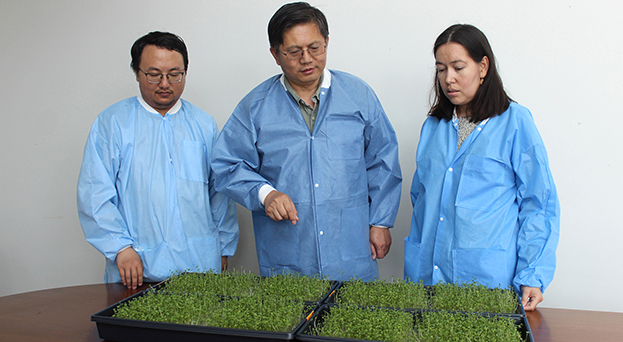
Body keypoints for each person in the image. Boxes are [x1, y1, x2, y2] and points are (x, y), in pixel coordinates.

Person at [211, 2, 402, 281]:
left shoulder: (358, 95)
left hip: (351, 247)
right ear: (275, 54)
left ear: (326, 41)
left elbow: (383, 160)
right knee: (291, 322)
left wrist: (381, 221)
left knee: (353, 319)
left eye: (315, 48)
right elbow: (225, 165)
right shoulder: (255, 107)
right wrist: (266, 194)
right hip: (287, 251)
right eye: (293, 52)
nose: (307, 59)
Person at [405, 24, 559, 311]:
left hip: (486, 277)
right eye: (440, 69)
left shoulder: (515, 122)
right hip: (426, 275)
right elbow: (421, 199)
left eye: (458, 67)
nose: (448, 79)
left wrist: (532, 274)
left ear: (483, 66)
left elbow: (539, 204)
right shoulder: (433, 127)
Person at [77, 31, 239, 289]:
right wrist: (120, 248)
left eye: (175, 74)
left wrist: (223, 247)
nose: (165, 83)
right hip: (135, 270)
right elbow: (95, 194)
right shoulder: (113, 123)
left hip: (199, 266)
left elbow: (219, 194)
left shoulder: (203, 125)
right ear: (137, 72)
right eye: (154, 75)